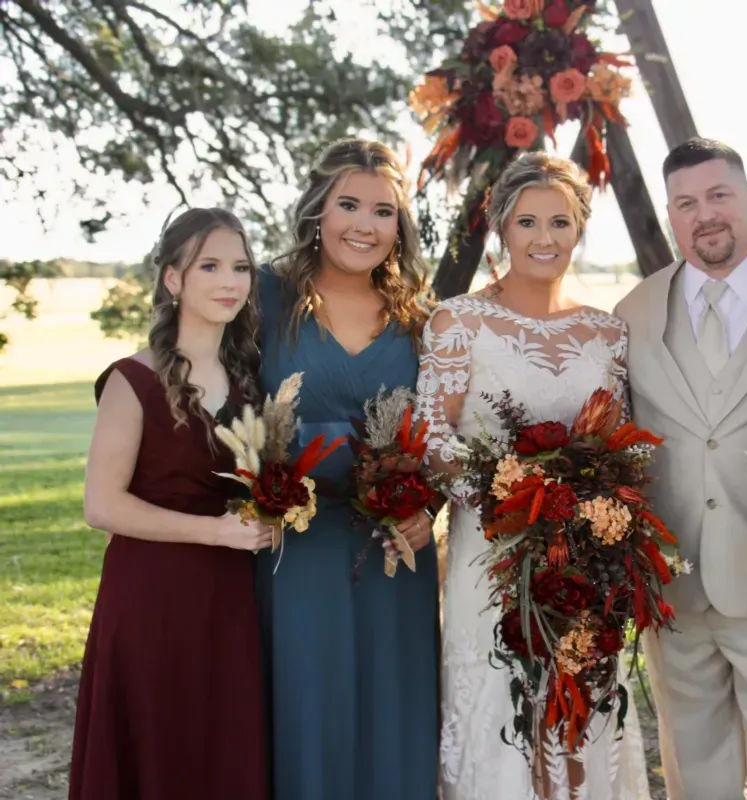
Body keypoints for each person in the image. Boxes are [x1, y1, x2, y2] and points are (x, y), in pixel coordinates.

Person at [418, 151, 650, 799]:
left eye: (560, 223)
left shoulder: (607, 334)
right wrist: (512, 503)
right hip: (489, 555)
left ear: (580, 229)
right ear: (501, 228)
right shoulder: (457, 323)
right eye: (527, 222)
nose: (544, 239)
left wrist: (590, 512)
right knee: (500, 705)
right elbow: (434, 442)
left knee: (580, 707)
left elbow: (620, 445)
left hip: (583, 559)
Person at [613, 137, 747, 800]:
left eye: (719, 195)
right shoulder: (634, 311)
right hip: (674, 587)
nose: (705, 214)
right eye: (686, 203)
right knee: (691, 772)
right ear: (671, 216)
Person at [256, 138, 440, 800]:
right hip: (295, 547)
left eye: (383, 211)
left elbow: (443, 434)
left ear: (401, 226)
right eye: (348, 205)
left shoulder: (421, 318)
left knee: (395, 711)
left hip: (396, 551)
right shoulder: (263, 300)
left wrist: (428, 508)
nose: (364, 225)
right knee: (308, 708)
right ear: (317, 211)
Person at [71, 208, 272, 800]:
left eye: (240, 266)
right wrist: (216, 533)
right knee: (158, 747)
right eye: (209, 265)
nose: (228, 280)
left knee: (218, 749)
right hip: (151, 599)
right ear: (173, 279)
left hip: (231, 600)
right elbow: (101, 505)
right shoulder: (132, 379)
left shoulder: (252, 383)